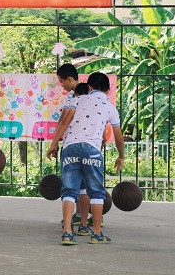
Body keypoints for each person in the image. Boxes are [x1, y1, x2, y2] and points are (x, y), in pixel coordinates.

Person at [47, 72, 125, 245]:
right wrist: (121, 157)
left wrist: (54, 144)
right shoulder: (110, 107)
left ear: (89, 87)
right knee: (96, 192)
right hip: (92, 149)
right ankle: (96, 234)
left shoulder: (77, 100)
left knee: (69, 191)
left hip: (70, 148)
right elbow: (119, 139)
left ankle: (67, 233)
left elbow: (64, 123)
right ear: (109, 89)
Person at [55, 63, 88, 227]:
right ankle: (85, 217)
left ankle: (74, 219)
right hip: (90, 146)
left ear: (69, 79)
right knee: (86, 184)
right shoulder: (91, 95)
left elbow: (62, 122)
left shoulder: (72, 99)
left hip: (72, 145)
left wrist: (54, 142)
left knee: (71, 185)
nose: (61, 85)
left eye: (61, 81)